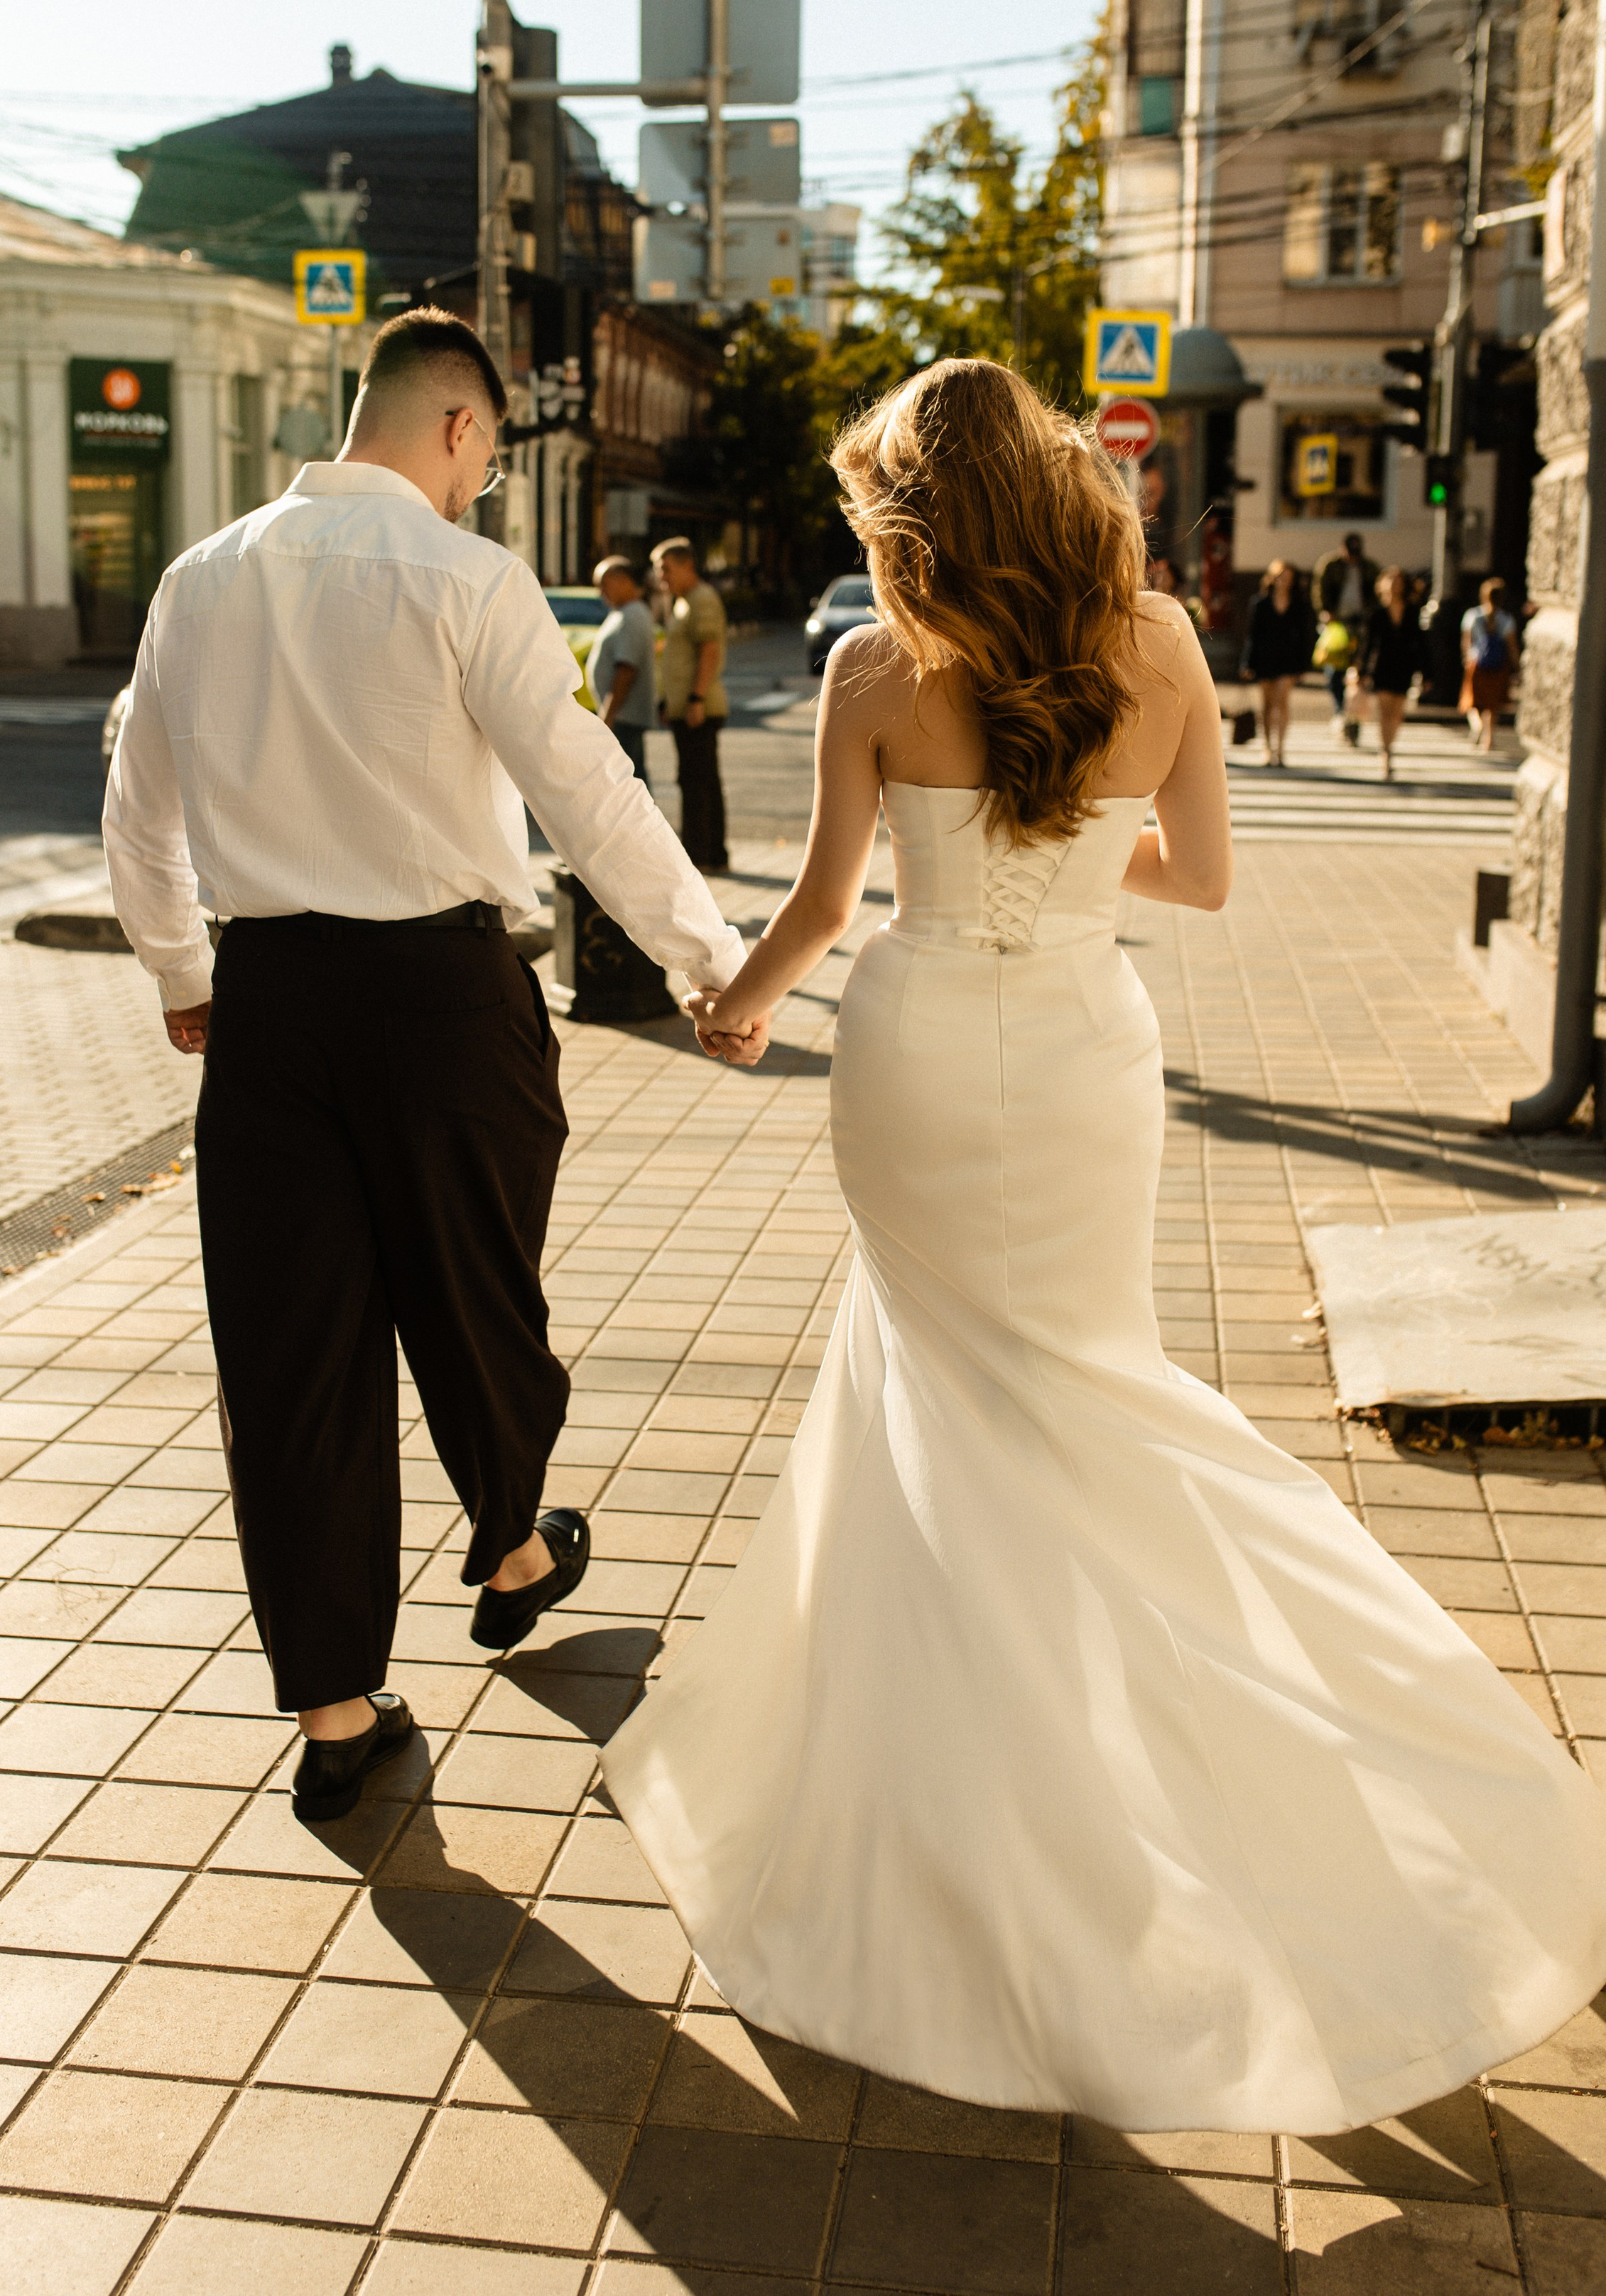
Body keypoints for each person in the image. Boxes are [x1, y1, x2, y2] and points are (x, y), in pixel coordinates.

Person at [601, 356, 1606, 2135]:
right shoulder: (1154, 644)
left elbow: (824, 904)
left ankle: (961, 1795)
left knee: (939, 1398)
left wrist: (731, 1007)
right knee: (1077, 1386)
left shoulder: (873, 667)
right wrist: (1064, 852)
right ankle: (1263, 1754)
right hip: (1079, 1056)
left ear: (911, 511)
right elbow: (1199, 879)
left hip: (917, 1053)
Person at [103, 308, 746, 1828]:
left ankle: (337, 1714)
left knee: (289, 1358)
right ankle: (510, 1539)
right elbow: (586, 790)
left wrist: (187, 976)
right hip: (445, 998)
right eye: (489, 461)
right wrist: (710, 961)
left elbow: (138, 812)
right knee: (475, 1293)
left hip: (269, 1006)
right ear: (460, 427)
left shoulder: (199, 578)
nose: (480, 487)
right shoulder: (469, 578)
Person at [653, 536, 729, 872]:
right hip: (685, 707)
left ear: (688, 566)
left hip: (699, 708)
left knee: (699, 782)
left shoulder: (702, 599)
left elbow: (709, 651)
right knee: (695, 780)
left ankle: (704, 854)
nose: (662, 577)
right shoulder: (682, 601)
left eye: (666, 569)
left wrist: (696, 698)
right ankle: (706, 853)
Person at [586, 554, 656, 781]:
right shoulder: (623, 612)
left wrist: (609, 713)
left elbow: (627, 669)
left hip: (624, 717)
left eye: (604, 584)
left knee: (628, 779)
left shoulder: (632, 615)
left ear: (624, 581)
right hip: (622, 716)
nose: (601, 592)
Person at [1239, 558, 1314, 766]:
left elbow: (1306, 636)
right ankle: (1267, 746)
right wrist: (1247, 663)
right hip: (1265, 658)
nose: (1284, 581)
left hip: (1289, 659)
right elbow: (1253, 635)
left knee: (1282, 701)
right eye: (1280, 577)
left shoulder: (1299, 605)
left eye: (1288, 578)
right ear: (1272, 578)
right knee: (1267, 704)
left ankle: (1280, 748)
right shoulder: (1260, 603)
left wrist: (1304, 665)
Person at [1352, 565, 1424, 781]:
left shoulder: (1412, 611)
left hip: (1404, 666)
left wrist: (1426, 672)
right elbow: (1367, 644)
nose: (1394, 585)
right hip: (1382, 666)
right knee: (1385, 712)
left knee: (1397, 713)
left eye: (1398, 581)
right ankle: (1386, 753)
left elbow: (1421, 643)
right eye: (1390, 581)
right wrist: (1361, 670)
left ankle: (1389, 745)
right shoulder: (1376, 613)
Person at [1311, 531, 1379, 737]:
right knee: (1335, 669)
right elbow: (1319, 591)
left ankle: (1352, 716)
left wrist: (1370, 617)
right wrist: (1326, 612)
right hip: (1337, 624)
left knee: (1358, 669)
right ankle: (1340, 710)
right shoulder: (1330, 565)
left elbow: (1376, 594)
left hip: (1361, 624)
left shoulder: (1369, 567)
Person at [1460, 575, 1519, 752]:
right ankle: (1489, 738)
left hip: (1477, 662)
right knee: (1493, 704)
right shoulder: (1506, 619)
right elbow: (1512, 646)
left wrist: (1467, 658)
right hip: (1498, 665)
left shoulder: (1473, 616)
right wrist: (1517, 666)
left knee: (1473, 700)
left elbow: (1467, 641)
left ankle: (1478, 725)